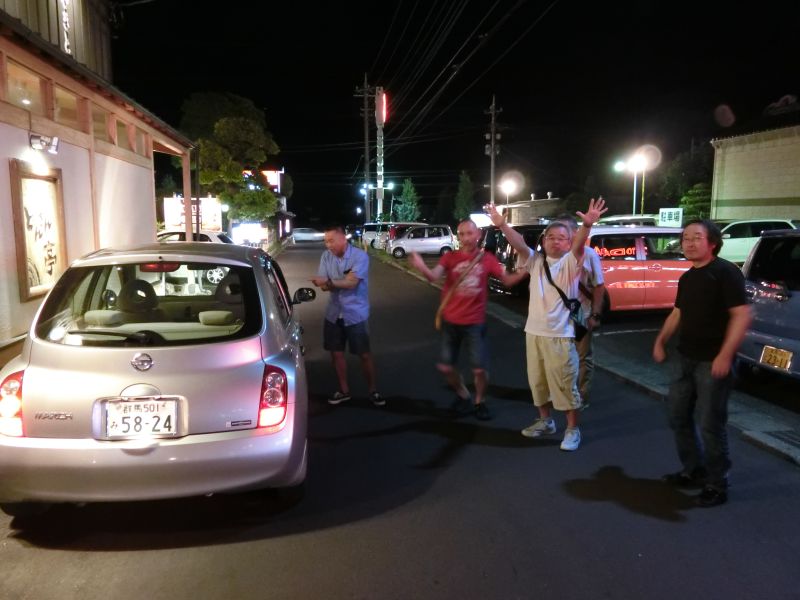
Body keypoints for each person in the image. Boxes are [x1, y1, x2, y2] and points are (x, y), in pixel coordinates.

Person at [487, 198, 607, 451]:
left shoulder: (571, 263)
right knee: (538, 383)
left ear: (569, 242)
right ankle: (545, 421)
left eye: (562, 237)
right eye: (550, 237)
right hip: (534, 333)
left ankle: (572, 429)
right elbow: (519, 244)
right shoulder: (535, 261)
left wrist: (586, 225)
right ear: (543, 241)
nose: (555, 241)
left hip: (560, 335)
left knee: (565, 383)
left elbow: (580, 246)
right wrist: (502, 225)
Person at [652, 219, 751, 507]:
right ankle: (693, 469)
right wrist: (660, 341)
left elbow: (742, 315)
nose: (689, 243)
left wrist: (725, 355)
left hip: (713, 361)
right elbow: (677, 313)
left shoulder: (725, 273)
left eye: (697, 237)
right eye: (686, 238)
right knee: (678, 416)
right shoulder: (687, 277)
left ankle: (717, 483)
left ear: (713, 243)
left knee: (710, 424)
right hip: (685, 357)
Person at [408, 219, 528, 420]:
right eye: (462, 234)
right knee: (446, 367)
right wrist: (421, 266)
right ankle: (463, 395)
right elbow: (433, 276)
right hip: (450, 321)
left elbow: (507, 281)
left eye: (469, 233)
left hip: (475, 323)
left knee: (479, 369)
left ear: (478, 235)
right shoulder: (450, 257)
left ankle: (480, 401)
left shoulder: (487, 259)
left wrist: (526, 270)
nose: (465, 238)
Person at [311, 224, 383, 406]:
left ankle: (373, 390)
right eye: (326, 241)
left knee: (364, 354)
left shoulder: (360, 256)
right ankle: (344, 391)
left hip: (356, 313)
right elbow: (324, 286)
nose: (328, 245)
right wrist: (336, 282)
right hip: (333, 313)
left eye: (331, 241)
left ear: (343, 238)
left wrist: (329, 282)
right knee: (336, 354)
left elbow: (351, 284)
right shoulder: (326, 256)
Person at [556, 214, 606, 408]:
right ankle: (564, 391)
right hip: (558, 315)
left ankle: (582, 396)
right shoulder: (554, 255)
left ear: (575, 233)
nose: (561, 236)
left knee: (583, 356)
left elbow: (599, 286)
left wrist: (595, 314)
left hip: (580, 313)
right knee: (561, 355)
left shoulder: (589, 254)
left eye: (565, 232)